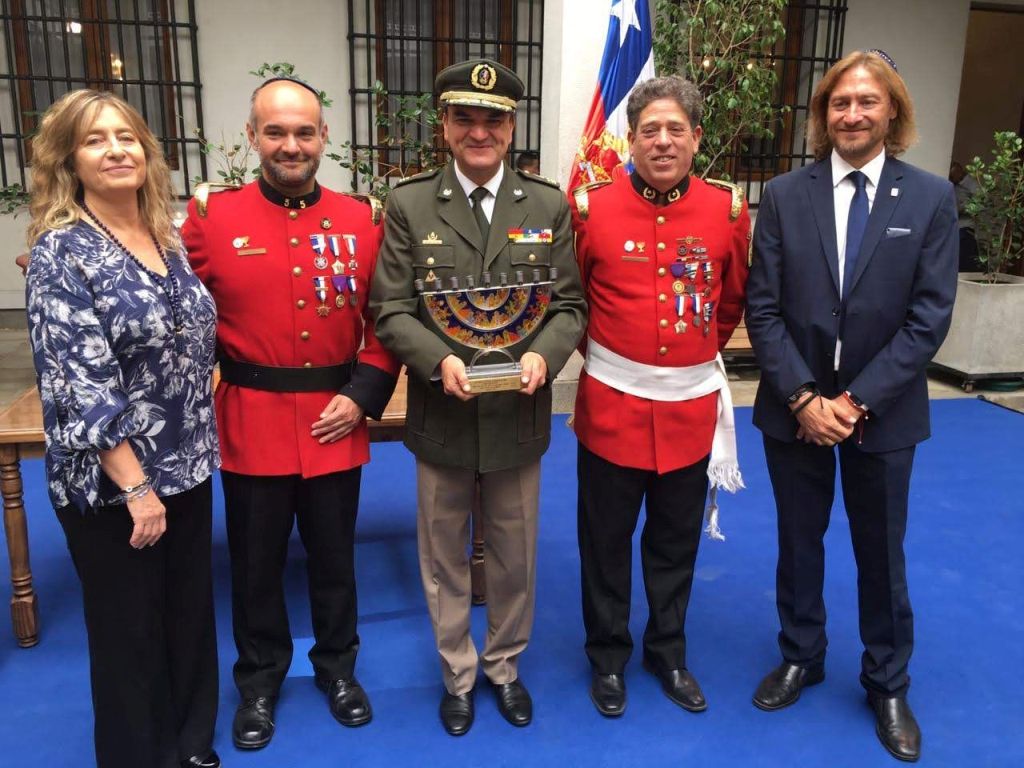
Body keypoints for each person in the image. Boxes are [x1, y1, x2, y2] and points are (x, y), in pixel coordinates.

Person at [745, 50, 958, 763]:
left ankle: (886, 680)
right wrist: (805, 397)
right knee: (798, 544)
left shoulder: (929, 198)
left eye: (867, 101)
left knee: (881, 553)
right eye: (840, 103)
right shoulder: (782, 196)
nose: (853, 114)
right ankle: (801, 654)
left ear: (892, 110)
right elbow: (763, 309)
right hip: (793, 410)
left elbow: (929, 319)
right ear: (822, 114)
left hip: (885, 414)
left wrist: (856, 401)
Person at [370, 58, 586, 736]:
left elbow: (571, 306)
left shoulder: (547, 204)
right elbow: (391, 309)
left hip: (518, 414)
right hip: (444, 412)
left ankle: (504, 666)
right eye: (465, 117)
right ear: (444, 125)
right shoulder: (407, 204)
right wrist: (438, 364)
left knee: (516, 557)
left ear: (511, 124)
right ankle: (457, 673)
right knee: (442, 556)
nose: (479, 130)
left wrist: (541, 356)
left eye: (492, 118)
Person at [182, 77, 399, 750]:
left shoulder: (362, 218)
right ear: (251, 137)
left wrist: (363, 395)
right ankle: (259, 680)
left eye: (304, 132)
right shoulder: (212, 217)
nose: (290, 145)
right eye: (275, 132)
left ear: (324, 137)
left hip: (336, 418)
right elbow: (180, 316)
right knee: (255, 564)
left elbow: (384, 320)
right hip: (251, 420)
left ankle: (338, 670)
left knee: (335, 560)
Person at [24, 89, 220, 768]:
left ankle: (192, 741)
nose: (115, 150)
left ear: (146, 150)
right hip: (117, 487)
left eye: (126, 136)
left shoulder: (166, 236)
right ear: (69, 161)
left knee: (189, 619)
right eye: (94, 140)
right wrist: (136, 489)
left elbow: (189, 342)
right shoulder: (62, 253)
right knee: (130, 634)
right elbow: (83, 385)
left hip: (188, 465)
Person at [569, 75, 750, 718]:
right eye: (650, 130)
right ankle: (608, 656)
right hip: (612, 407)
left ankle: (667, 651)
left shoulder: (727, 211)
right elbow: (575, 304)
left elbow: (727, 306)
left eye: (677, 129)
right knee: (605, 541)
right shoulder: (591, 209)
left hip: (688, 411)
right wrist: (623, 361)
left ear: (697, 139)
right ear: (632, 138)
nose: (663, 141)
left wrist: (681, 365)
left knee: (676, 542)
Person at [948, 160, 980, 271]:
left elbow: (982, 197)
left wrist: (963, 178)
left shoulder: (967, 186)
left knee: (965, 265)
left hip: (964, 231)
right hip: (949, 230)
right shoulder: (948, 187)